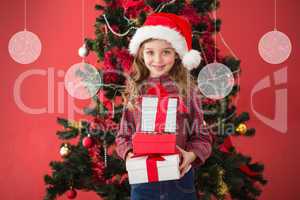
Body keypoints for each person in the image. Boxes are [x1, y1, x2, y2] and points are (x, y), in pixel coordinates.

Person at [116, 12, 213, 200]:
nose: (158, 60)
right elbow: (122, 136)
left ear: (177, 55)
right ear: (142, 55)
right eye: (150, 52)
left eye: (166, 52)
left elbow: (202, 137)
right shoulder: (136, 90)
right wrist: (128, 154)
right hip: (143, 182)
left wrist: (191, 155)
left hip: (180, 180)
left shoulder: (188, 92)